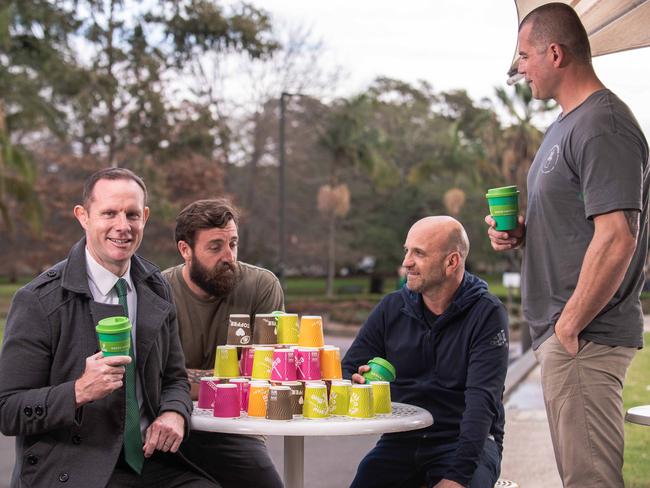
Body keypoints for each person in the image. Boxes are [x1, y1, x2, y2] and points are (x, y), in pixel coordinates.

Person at [485, 4, 649, 487]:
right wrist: (521, 234)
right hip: (565, 337)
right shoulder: (564, 126)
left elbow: (618, 235)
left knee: (590, 481)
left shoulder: (604, 125)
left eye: (524, 56)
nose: (519, 68)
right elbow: (575, 225)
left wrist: (569, 326)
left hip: (585, 337)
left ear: (554, 53)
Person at [0, 168, 217, 487]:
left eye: (131, 214)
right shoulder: (38, 301)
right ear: (83, 216)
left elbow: (174, 377)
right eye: (109, 213)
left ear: (144, 216)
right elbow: (8, 410)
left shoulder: (156, 287)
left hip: (150, 460)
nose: (122, 226)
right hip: (76, 465)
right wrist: (77, 391)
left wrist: (174, 413)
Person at [343, 216, 509, 488]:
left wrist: (457, 476)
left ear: (451, 262)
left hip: (464, 443)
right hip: (401, 440)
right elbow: (347, 369)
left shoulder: (486, 313)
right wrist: (355, 381)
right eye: (407, 251)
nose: (406, 261)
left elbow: (482, 403)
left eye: (418, 253)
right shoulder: (392, 308)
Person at [163, 198, 284, 488]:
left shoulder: (261, 286)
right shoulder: (159, 291)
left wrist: (185, 377)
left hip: (235, 430)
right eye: (215, 247)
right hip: (172, 421)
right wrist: (231, 378)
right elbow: (154, 379)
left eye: (233, 243)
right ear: (185, 250)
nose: (228, 256)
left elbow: (266, 376)